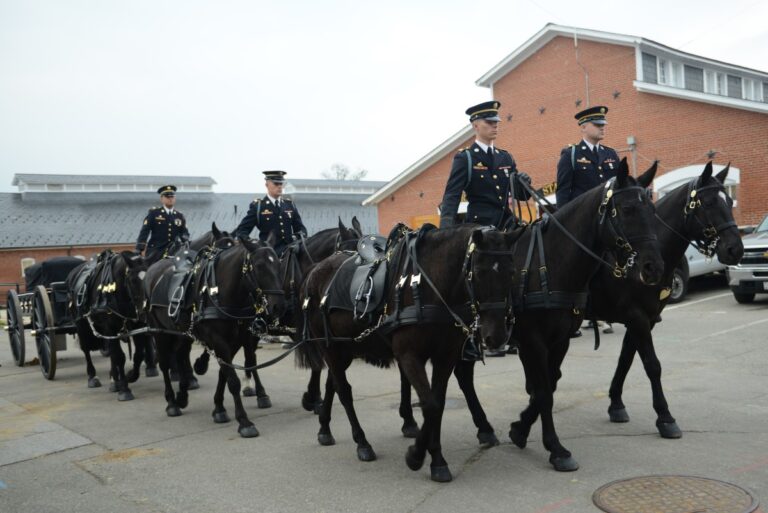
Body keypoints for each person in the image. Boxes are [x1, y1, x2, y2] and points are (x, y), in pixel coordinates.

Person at [439, 100, 532, 358]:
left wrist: (524, 183)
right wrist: (446, 230)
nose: (495, 126)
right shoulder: (466, 158)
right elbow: (452, 195)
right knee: (477, 280)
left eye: (496, 122)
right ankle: (473, 334)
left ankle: (516, 328)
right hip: (480, 226)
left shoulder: (505, 157)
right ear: (475, 125)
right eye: (490, 123)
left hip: (506, 222)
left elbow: (521, 195)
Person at [556, 105, 619, 336]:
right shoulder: (571, 155)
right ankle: (580, 313)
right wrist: (563, 224)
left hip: (607, 221)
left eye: (603, 124)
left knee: (608, 265)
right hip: (582, 223)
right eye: (597, 124)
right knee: (582, 269)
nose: (602, 128)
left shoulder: (610, 154)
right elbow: (564, 192)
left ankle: (604, 314)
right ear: (583, 127)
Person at [234, 170, 308, 256]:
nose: (280, 187)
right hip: (268, 255)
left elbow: (301, 229)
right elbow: (242, 231)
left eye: (281, 184)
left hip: (290, 252)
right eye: (276, 184)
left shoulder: (289, 205)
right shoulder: (258, 207)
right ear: (267, 185)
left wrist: (297, 239)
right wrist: (254, 244)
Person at [135, 185, 190, 265]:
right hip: (156, 250)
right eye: (167, 197)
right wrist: (140, 248)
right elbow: (145, 231)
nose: (170, 199)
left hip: (174, 251)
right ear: (162, 198)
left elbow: (184, 232)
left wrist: (185, 239)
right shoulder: (154, 213)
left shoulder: (179, 216)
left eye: (172, 197)